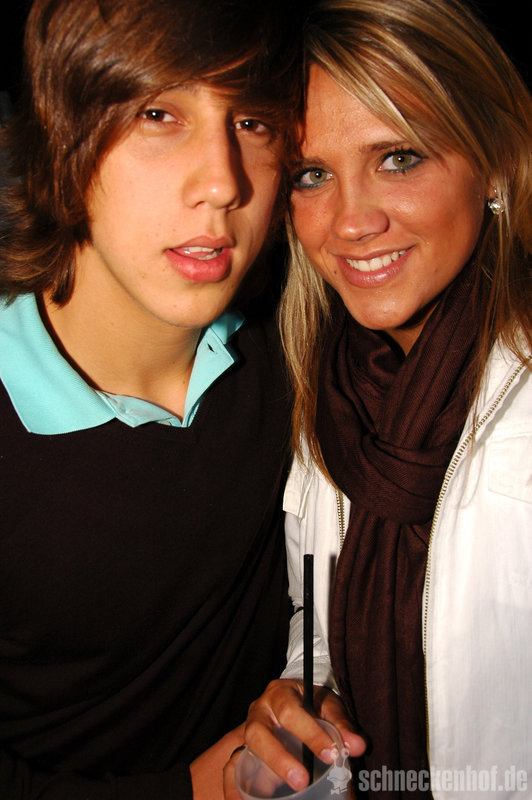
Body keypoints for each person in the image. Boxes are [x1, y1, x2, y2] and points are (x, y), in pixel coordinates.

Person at [224, 0, 532, 798]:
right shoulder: (325, 393)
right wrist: (305, 693)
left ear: (495, 164)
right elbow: (323, 618)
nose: (351, 222)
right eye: (312, 175)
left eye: (399, 157)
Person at [0, 0, 304, 797]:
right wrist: (190, 791)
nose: (223, 183)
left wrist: (310, 685)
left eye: (253, 123)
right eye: (158, 114)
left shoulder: (293, 335)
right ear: (60, 137)